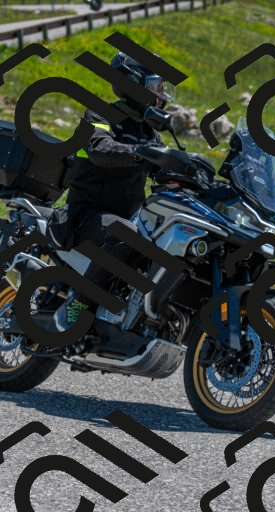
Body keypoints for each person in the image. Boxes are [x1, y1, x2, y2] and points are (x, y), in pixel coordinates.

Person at [52, 52, 176, 332]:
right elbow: (99, 149)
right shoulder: (99, 115)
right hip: (86, 213)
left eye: (161, 88)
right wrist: (138, 152)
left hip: (127, 217)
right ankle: (78, 303)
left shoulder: (150, 133)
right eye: (155, 86)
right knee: (126, 235)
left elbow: (163, 173)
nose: (161, 95)